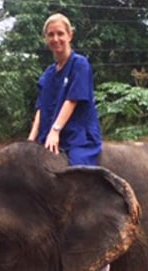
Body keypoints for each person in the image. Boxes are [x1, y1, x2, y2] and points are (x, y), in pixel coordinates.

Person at [27, 13, 102, 166]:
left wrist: (55, 131)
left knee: (75, 175)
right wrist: (30, 140)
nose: (55, 39)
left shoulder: (79, 64)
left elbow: (72, 100)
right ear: (46, 39)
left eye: (60, 33)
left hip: (78, 138)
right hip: (48, 137)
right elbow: (41, 109)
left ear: (70, 35)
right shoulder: (48, 74)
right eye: (51, 35)